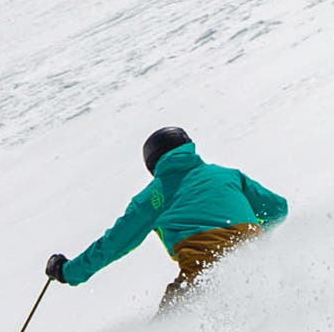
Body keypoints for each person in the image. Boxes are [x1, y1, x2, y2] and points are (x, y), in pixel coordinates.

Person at [46, 127, 288, 313]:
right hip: (255, 262)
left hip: (205, 276)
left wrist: (68, 272)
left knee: (165, 331)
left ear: (152, 164)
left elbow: (114, 244)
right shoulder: (227, 175)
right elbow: (277, 208)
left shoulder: (154, 196)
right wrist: (247, 243)